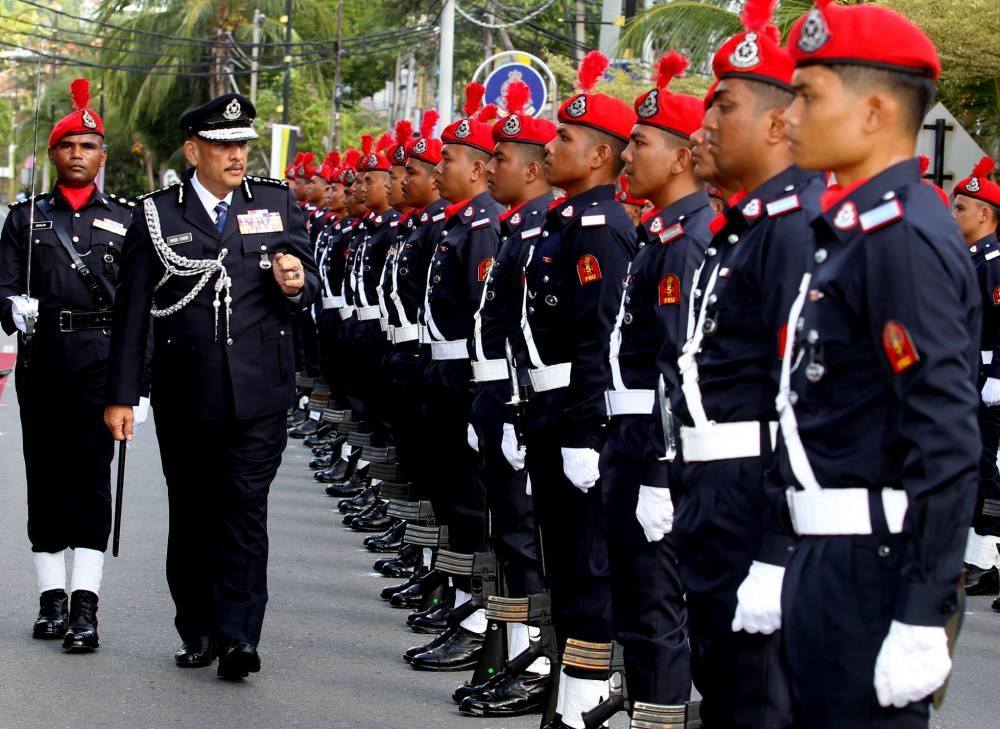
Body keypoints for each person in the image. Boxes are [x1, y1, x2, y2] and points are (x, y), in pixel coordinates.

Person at [778, 1, 979, 725]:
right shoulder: (857, 230)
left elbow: (945, 434)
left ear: (873, 112)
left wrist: (924, 610)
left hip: (873, 566)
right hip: (830, 554)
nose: (791, 115)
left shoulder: (902, 238)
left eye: (808, 95)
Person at [103, 93, 319, 680]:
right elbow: (132, 315)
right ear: (193, 149)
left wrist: (296, 283)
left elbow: (306, 282)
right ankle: (197, 627)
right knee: (195, 513)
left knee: (245, 510)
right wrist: (122, 395)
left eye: (242, 144)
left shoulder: (274, 202)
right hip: (187, 391)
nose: (236, 154)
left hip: (261, 392)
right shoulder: (157, 216)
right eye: (223, 145)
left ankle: (240, 636)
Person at [670, 2, 825, 725]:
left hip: (753, 497)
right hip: (714, 490)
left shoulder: (793, 227)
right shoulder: (748, 226)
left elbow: (802, 407)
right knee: (727, 689)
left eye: (722, 107)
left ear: (774, 123)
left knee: (758, 699)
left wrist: (777, 546)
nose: (703, 127)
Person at [517, 51, 637, 729]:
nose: (550, 147)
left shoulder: (602, 229)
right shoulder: (569, 222)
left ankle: (584, 700)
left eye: (564, 138)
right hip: (550, 406)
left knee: (586, 568)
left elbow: (602, 338)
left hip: (576, 412)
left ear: (597, 156)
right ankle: (568, 695)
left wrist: (588, 432)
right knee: (562, 559)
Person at [0, 78, 134, 653]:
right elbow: (0, 284)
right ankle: (50, 597)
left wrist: (137, 384)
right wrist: (12, 307)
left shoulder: (128, 220)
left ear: (102, 156)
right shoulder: (24, 218)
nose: (77, 154)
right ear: (53, 155)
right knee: (46, 479)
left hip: (100, 366)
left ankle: (86, 604)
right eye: (67, 145)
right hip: (43, 363)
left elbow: (137, 309)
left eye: (87, 145)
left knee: (90, 481)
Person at [602, 50, 712, 717]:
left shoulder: (687, 242)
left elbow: (680, 367)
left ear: (681, 157)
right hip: (632, 441)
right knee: (637, 613)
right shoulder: (661, 233)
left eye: (640, 144)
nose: (626, 156)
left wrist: (659, 475)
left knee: (655, 615)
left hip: (653, 454)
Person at [457, 80, 557, 717]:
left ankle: (539, 657)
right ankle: (516, 645)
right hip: (504, 396)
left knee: (528, 538)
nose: (492, 167)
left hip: (534, 402)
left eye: (503, 158)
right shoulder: (517, 227)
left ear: (537, 167)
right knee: (506, 530)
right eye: (489, 157)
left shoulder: (536, 228)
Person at [951, 158, 1000, 596]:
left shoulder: (995, 262)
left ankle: (987, 558)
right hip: (970, 376)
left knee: (986, 469)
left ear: (984, 213)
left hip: (989, 383)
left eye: (961, 208)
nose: (954, 216)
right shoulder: (969, 260)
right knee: (972, 465)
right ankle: (974, 555)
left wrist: (996, 374)